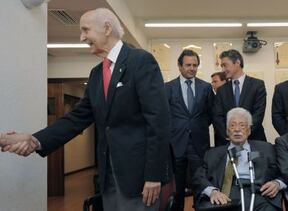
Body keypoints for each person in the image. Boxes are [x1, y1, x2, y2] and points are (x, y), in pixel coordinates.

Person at [0, 8, 171, 211]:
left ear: (107, 28)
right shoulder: (97, 74)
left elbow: (158, 121)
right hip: (108, 178)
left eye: (85, 30)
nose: (82, 37)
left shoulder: (140, 61)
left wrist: (153, 175)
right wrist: (34, 140)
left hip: (139, 179)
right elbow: (76, 118)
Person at [193, 107, 285, 211]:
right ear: (227, 131)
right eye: (232, 126)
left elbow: (284, 171)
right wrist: (213, 192)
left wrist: (277, 183)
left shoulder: (266, 148)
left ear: (249, 130)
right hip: (226, 196)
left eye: (242, 125)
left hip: (260, 194)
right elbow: (198, 177)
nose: (237, 129)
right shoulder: (212, 154)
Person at [164, 49, 213, 211]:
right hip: (176, 144)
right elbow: (164, 115)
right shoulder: (168, 88)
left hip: (199, 144)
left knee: (200, 183)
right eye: (188, 65)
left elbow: (211, 113)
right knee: (177, 188)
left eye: (195, 65)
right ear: (179, 66)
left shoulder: (205, 87)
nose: (192, 68)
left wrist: (197, 127)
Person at [213, 49, 267, 146]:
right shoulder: (222, 90)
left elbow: (258, 114)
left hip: (254, 139)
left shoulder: (257, 85)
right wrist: (230, 134)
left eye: (225, 65)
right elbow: (218, 117)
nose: (223, 70)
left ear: (237, 63)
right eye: (222, 66)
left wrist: (244, 133)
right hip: (229, 141)